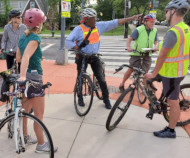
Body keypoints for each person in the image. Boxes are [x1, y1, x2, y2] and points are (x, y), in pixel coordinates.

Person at [66, 8, 141, 109]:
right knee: (80, 76)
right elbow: (68, 40)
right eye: (93, 18)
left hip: (94, 56)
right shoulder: (78, 29)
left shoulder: (98, 26)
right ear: (86, 19)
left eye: (95, 18)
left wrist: (130, 18)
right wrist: (76, 48)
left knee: (101, 78)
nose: (95, 20)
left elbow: (115, 22)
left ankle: (106, 99)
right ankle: (80, 97)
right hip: (82, 56)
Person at [145, 0, 190, 138]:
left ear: (172, 12)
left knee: (173, 102)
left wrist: (153, 73)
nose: (165, 14)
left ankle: (171, 130)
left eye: (166, 11)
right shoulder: (185, 28)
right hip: (175, 70)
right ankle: (157, 101)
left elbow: (162, 56)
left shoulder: (173, 32)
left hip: (171, 73)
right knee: (145, 79)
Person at [16, 8, 58, 153]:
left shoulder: (23, 37)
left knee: (25, 110)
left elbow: (19, 58)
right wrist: (23, 76)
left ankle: (25, 136)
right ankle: (41, 144)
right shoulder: (35, 38)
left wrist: (23, 74)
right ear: (39, 24)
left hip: (26, 75)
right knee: (38, 115)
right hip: (34, 78)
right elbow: (26, 57)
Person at [119, 14, 158, 92]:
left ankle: (146, 89)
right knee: (131, 70)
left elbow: (156, 42)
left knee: (145, 73)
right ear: (145, 22)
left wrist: (155, 47)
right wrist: (129, 47)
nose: (152, 24)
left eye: (153, 22)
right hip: (137, 54)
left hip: (147, 54)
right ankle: (122, 84)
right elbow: (129, 39)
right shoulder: (139, 29)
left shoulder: (154, 30)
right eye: (151, 22)